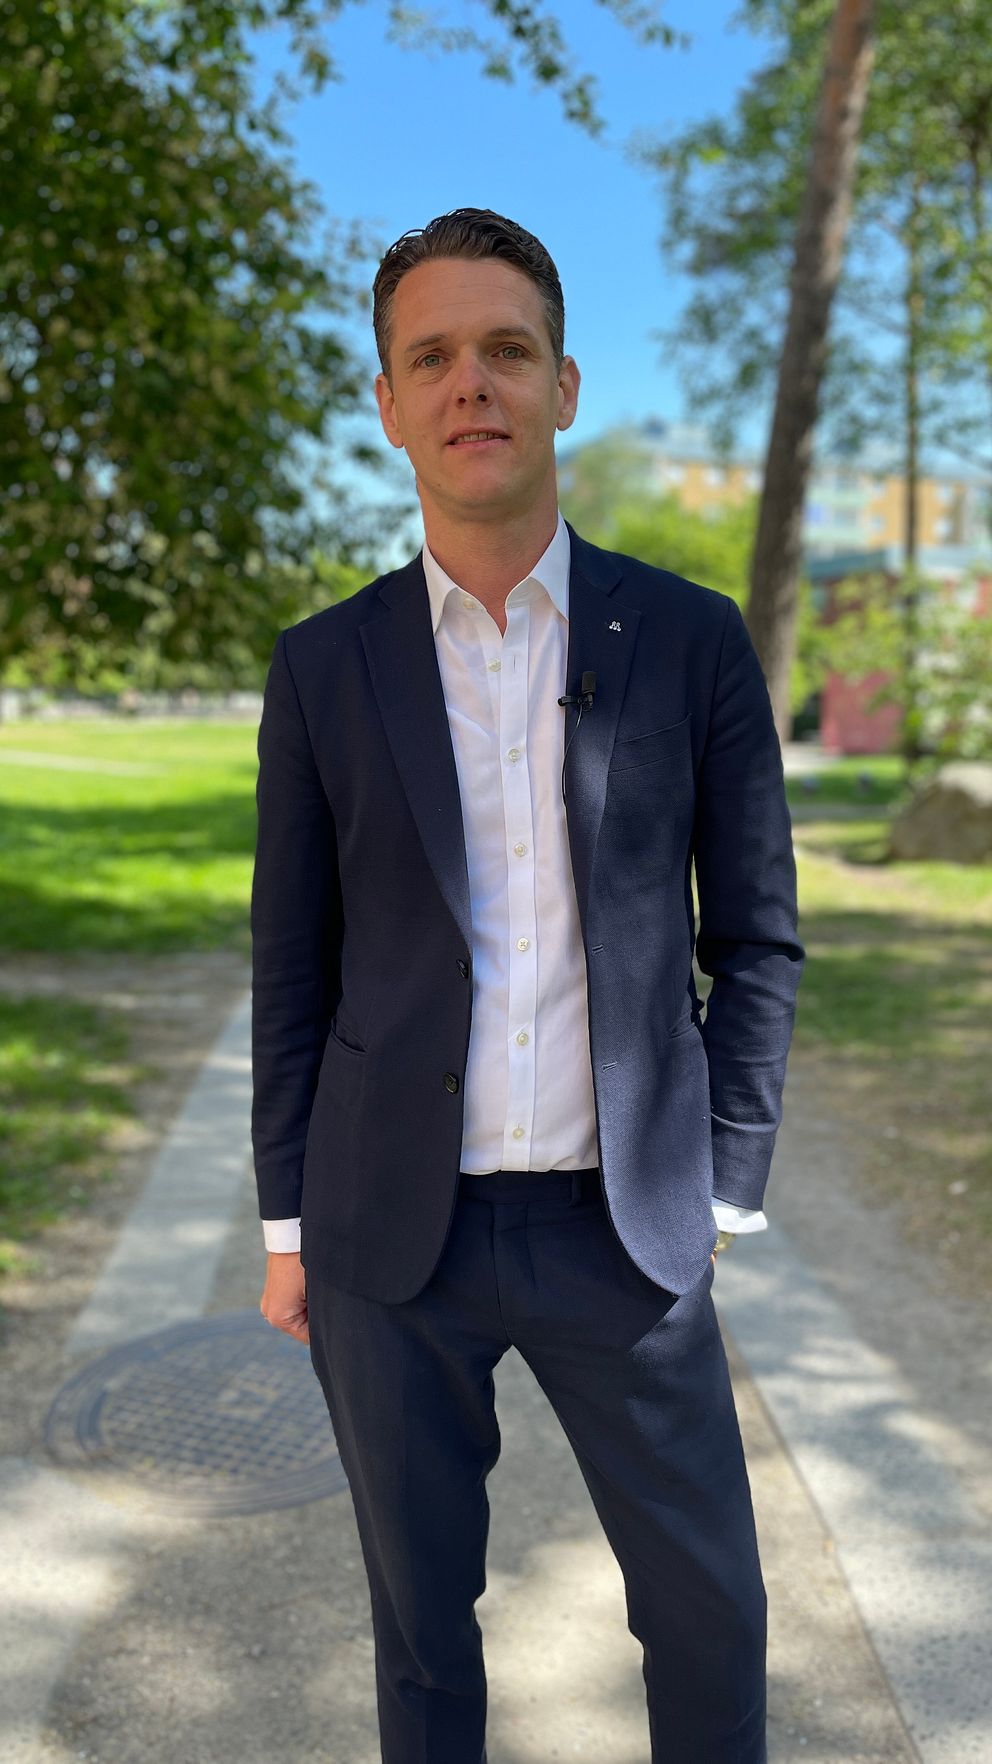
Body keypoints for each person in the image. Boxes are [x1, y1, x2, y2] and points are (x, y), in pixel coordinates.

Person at [251, 206, 805, 1764]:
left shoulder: (690, 640)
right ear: (388, 404)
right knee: (423, 1642)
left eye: (506, 349)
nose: (470, 383)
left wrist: (725, 1185)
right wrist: (289, 1229)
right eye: (431, 356)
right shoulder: (323, 666)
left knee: (712, 1619)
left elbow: (756, 936)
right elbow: (292, 965)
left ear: (564, 385)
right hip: (390, 1242)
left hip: (622, 1233)